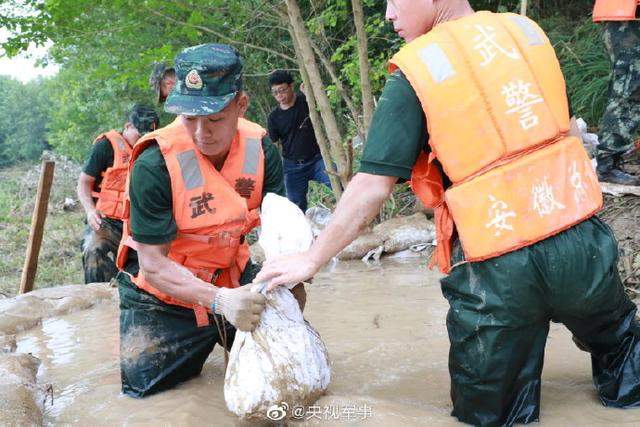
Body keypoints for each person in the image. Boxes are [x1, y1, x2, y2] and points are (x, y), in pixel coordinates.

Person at [257, 1, 640, 425]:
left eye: (394, 0)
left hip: (498, 264)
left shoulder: (415, 73)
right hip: (583, 242)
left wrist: (311, 258)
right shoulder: (525, 33)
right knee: (625, 357)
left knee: (493, 415)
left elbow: (371, 188)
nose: (388, 14)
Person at [114, 44, 303, 398]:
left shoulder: (261, 149)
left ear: (240, 105)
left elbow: (279, 233)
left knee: (286, 380)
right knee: (147, 401)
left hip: (235, 278)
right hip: (162, 298)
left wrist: (288, 282)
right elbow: (153, 266)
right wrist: (220, 301)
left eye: (215, 118)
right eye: (189, 118)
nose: (201, 132)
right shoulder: (154, 163)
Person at [77, 104, 159, 284]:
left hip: (138, 225)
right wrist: (90, 211)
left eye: (146, 136)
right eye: (139, 135)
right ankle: (95, 302)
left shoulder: (155, 148)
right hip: (106, 221)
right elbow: (84, 182)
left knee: (157, 263)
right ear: (128, 126)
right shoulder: (105, 145)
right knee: (93, 248)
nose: (141, 140)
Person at [267, 70, 332, 212]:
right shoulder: (273, 117)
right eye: (275, 93)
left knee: (338, 183)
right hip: (292, 166)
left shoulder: (305, 101)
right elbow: (273, 144)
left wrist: (310, 95)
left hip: (317, 159)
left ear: (291, 86)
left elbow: (325, 108)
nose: (280, 96)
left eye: (282, 90)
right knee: (296, 206)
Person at [593, 0, 640, 185]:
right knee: (629, 93)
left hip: (628, 19)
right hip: (624, 21)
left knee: (630, 91)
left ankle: (612, 160)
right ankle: (607, 164)